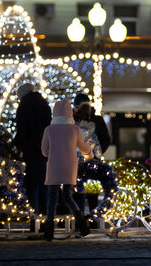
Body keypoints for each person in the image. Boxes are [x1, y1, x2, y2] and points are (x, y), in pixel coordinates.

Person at [41, 99, 93, 241]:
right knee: (68, 197)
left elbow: (44, 152)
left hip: (54, 167)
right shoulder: (74, 129)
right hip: (70, 167)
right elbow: (84, 147)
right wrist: (89, 155)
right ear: (69, 112)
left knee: (52, 198)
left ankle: (49, 232)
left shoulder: (49, 130)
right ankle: (83, 226)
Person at [13, 82, 52, 230]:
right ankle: (46, 221)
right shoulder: (44, 105)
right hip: (44, 150)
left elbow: (22, 130)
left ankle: (34, 222)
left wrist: (16, 144)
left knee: (31, 187)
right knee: (44, 186)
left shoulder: (24, 107)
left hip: (30, 150)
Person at [73, 100, 103, 217]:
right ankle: (93, 218)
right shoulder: (91, 133)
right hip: (89, 165)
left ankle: (78, 219)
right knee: (92, 193)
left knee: (77, 193)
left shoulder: (73, 130)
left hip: (74, 165)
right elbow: (98, 152)